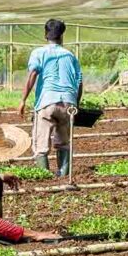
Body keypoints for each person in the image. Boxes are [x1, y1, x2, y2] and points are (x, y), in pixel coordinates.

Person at [18, 18, 83, 177]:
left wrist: (23, 100)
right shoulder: (70, 56)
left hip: (47, 102)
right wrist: (76, 105)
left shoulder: (39, 53)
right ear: (62, 36)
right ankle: (62, 175)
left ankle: (45, 177)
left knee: (41, 144)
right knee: (64, 143)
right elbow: (79, 83)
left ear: (46, 35)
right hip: (68, 103)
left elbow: (33, 74)